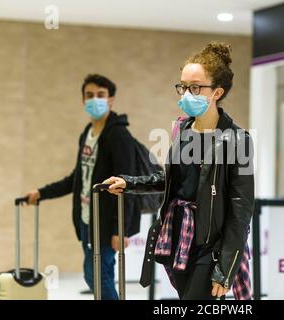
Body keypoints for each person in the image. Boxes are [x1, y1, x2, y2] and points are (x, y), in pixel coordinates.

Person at [102, 43, 254, 300]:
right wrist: (131, 183)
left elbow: (241, 211)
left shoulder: (239, 139)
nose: (186, 93)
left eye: (195, 87)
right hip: (178, 238)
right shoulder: (182, 130)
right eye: (182, 86)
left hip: (211, 246)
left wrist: (226, 269)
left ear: (217, 92)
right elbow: (172, 180)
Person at [25, 74, 140, 300]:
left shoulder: (118, 135)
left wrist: (121, 229)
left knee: (94, 275)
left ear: (111, 100)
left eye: (101, 95)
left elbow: (129, 183)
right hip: (88, 218)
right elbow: (77, 178)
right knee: (101, 273)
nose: (94, 99)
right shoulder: (87, 134)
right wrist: (42, 193)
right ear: (82, 100)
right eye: (89, 95)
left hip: (107, 221)